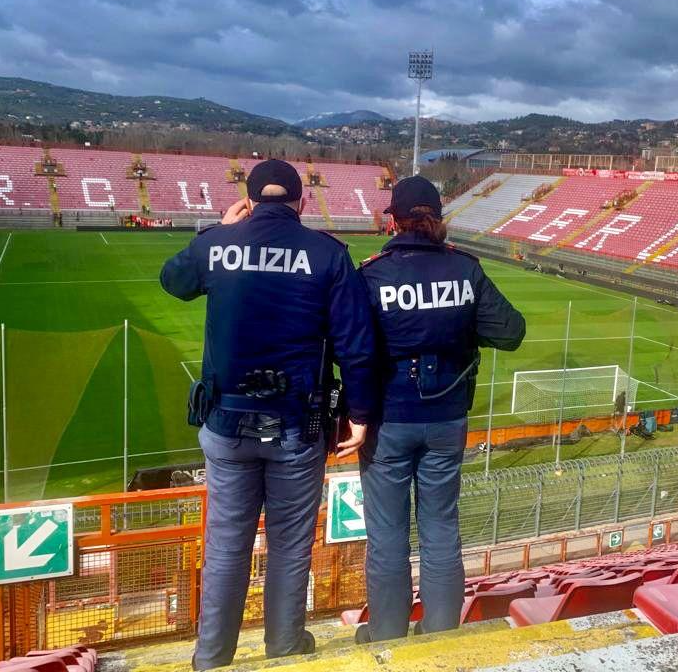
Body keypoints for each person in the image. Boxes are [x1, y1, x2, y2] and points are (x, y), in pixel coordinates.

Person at [160, 159, 376, 670]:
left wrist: (222, 229)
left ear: (250, 202)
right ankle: (284, 648)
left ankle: (211, 657)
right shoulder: (327, 254)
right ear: (301, 203)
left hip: (226, 424)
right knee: (290, 547)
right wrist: (361, 413)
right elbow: (356, 345)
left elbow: (174, 280)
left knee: (226, 549)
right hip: (297, 429)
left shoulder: (218, 244)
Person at [356, 175, 526, 642]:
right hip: (448, 418)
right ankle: (441, 635)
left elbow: (348, 346)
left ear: (393, 220)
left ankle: (387, 637)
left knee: (388, 536)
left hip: (389, 421)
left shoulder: (373, 273)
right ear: (438, 220)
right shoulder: (465, 270)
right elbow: (510, 332)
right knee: (440, 529)